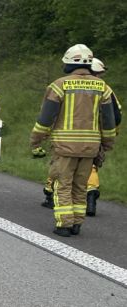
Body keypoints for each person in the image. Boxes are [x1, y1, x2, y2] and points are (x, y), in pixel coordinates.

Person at [30, 44, 117, 237]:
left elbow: (46, 118)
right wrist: (107, 143)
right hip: (90, 147)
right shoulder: (103, 87)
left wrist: (36, 140)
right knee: (80, 185)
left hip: (64, 147)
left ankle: (64, 224)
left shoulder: (59, 85)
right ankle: (77, 223)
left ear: (68, 63)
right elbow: (109, 120)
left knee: (63, 184)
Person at [40, 58, 122, 216]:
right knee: (87, 172)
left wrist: (46, 133)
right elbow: (115, 115)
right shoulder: (105, 89)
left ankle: (52, 196)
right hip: (93, 139)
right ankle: (86, 203)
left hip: (66, 140)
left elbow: (50, 113)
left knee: (62, 171)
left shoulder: (65, 85)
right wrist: (107, 138)